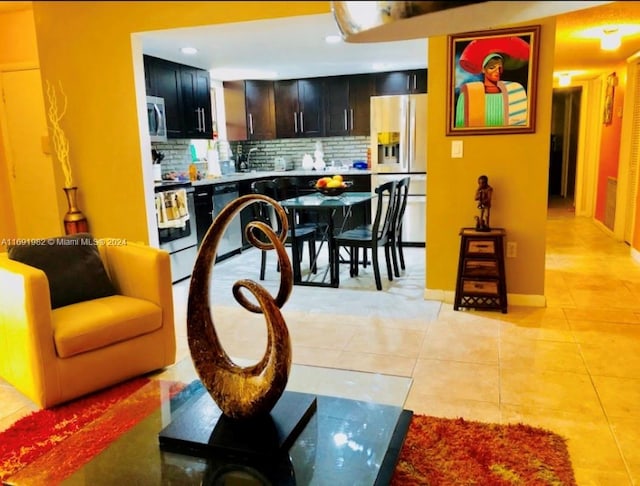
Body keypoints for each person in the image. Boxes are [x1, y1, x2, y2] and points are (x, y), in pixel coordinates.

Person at [455, 36, 531, 128]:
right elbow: (461, 126)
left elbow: (520, 125)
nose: (497, 71)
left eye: (499, 68)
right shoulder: (468, 92)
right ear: (483, 69)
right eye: (492, 67)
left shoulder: (515, 90)